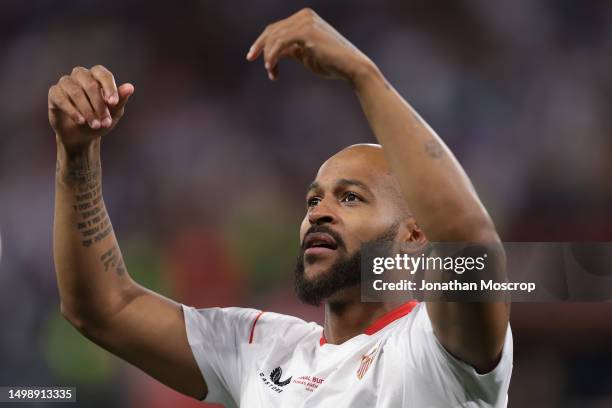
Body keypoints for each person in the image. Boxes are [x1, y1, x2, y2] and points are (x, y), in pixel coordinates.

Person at [49, 8, 512, 407]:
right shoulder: (262, 348)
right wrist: (77, 155)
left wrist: (364, 75)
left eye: (351, 197)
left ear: (414, 235)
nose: (319, 212)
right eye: (313, 199)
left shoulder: (437, 349)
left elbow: (469, 243)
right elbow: (101, 307)